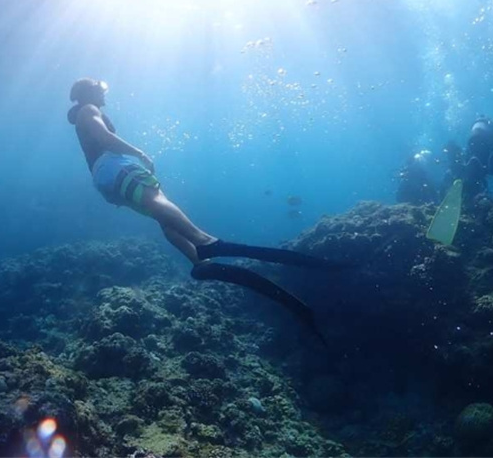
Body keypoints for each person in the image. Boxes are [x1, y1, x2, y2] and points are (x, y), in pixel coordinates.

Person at [67, 78, 350, 344]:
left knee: (161, 213)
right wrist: (139, 153)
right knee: (156, 198)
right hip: (113, 165)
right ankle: (204, 242)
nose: (104, 93)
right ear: (89, 93)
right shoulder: (88, 109)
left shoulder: (82, 116)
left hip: (105, 177)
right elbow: (103, 138)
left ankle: (198, 261)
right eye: (99, 88)